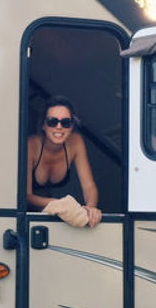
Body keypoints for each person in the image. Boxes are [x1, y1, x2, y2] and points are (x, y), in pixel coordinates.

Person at [26, 96, 102, 228]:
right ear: (43, 125)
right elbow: (26, 195)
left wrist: (91, 208)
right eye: (52, 121)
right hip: (27, 214)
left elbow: (89, 187)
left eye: (65, 122)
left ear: (71, 126)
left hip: (52, 216)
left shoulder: (76, 142)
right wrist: (61, 204)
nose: (59, 127)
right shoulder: (31, 145)